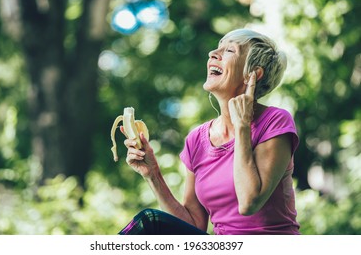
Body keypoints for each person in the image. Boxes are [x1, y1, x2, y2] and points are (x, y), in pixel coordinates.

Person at [118, 28, 300, 235]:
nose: (213, 53)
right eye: (218, 48)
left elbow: (249, 202)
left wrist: (242, 126)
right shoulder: (196, 140)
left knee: (150, 221)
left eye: (229, 51)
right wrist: (153, 175)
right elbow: (193, 227)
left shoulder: (275, 122)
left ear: (253, 75)